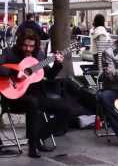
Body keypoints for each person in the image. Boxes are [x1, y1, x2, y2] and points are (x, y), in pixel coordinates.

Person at [0, 29, 71, 158]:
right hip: (15, 98)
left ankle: (39, 137)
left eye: (31, 46)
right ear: (20, 43)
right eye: (25, 45)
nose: (28, 49)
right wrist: (17, 72)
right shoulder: (9, 53)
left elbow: (49, 76)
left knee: (66, 109)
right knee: (33, 103)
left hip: (38, 96)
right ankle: (32, 147)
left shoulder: (39, 55)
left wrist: (57, 63)